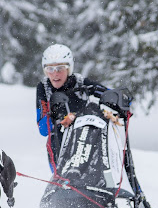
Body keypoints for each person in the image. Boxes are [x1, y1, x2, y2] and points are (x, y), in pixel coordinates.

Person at [35, 44, 107, 173]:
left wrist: (117, 97)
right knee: (54, 135)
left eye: (60, 68)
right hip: (60, 142)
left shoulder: (79, 82)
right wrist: (57, 116)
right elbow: (43, 129)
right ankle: (60, 180)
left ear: (69, 69)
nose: (55, 73)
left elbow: (107, 93)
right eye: (50, 69)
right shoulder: (44, 88)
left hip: (85, 137)